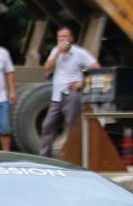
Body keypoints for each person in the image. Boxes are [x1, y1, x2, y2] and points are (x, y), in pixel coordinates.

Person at [39, 23, 97, 158]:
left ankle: (73, 155)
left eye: (65, 37)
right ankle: (44, 156)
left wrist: (83, 82)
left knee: (71, 125)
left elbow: (96, 67)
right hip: (57, 95)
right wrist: (58, 53)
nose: (62, 39)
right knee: (47, 125)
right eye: (60, 37)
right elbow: (47, 67)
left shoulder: (79, 53)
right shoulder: (55, 51)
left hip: (72, 94)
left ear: (71, 38)